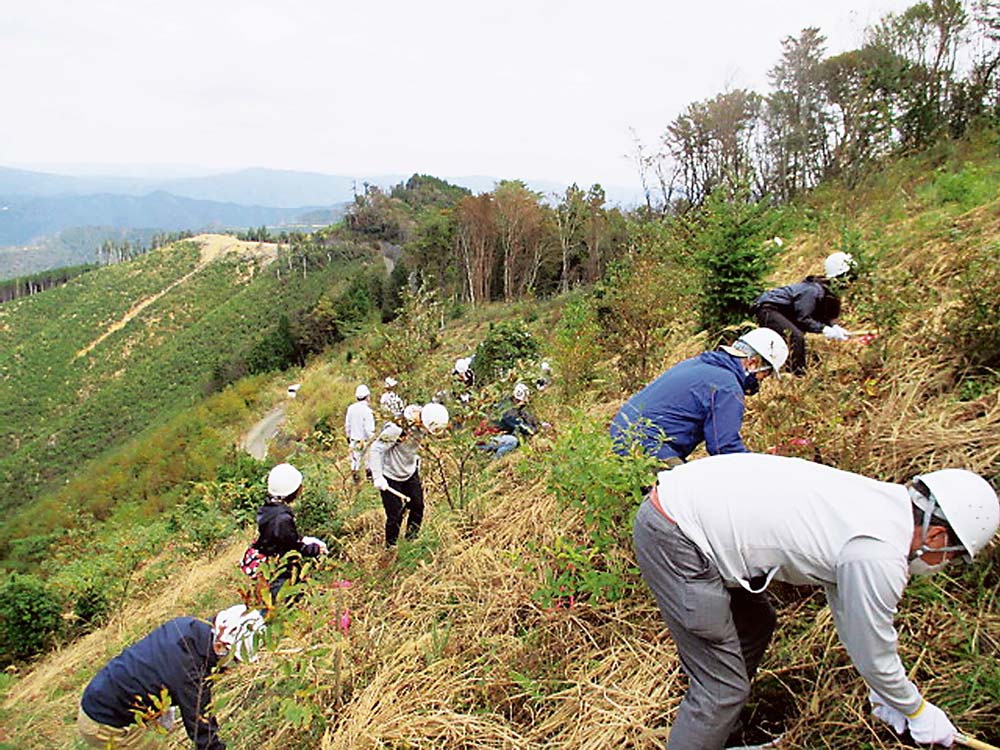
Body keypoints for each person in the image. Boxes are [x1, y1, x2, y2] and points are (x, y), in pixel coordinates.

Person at [632, 452, 999, 750]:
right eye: (952, 556)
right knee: (721, 688)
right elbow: (873, 645)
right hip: (677, 536)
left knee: (756, 622)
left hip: (687, 508)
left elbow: (852, 616)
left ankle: (718, 731)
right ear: (936, 535)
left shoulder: (881, 506)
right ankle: (708, 720)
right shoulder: (879, 552)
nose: (946, 565)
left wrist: (886, 692)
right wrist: (915, 709)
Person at [78, 604, 264, 750]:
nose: (235, 666)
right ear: (220, 647)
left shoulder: (187, 625)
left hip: (104, 692)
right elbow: (203, 733)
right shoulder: (192, 674)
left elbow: (160, 662)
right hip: (103, 721)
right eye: (236, 660)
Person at [610, 328, 788, 469]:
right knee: (685, 497)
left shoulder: (698, 363)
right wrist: (759, 467)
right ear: (753, 363)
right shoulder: (727, 387)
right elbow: (723, 448)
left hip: (622, 434)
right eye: (765, 373)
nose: (761, 380)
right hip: (647, 446)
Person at [753, 251, 855, 376]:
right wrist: (824, 329)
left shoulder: (825, 293)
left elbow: (817, 317)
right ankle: (798, 376)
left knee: (795, 338)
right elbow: (803, 318)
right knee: (796, 337)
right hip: (768, 309)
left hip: (779, 311)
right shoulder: (812, 291)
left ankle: (784, 370)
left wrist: (832, 327)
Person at [370, 402, 449, 547]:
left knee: (418, 507)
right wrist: (378, 476)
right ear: (422, 420)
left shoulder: (423, 423)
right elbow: (376, 449)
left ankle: (411, 541)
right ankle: (390, 547)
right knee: (395, 515)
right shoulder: (397, 429)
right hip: (390, 475)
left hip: (409, 472)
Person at [247, 463, 328, 600]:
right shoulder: (282, 518)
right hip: (280, 570)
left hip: (269, 565)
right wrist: (315, 549)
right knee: (288, 598)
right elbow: (292, 547)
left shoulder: (268, 509)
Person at [478, 383, 541, 459]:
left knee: (515, 437)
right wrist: (535, 430)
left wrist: (540, 424)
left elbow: (526, 416)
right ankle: (494, 459)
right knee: (513, 441)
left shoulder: (512, 405)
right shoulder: (507, 410)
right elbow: (521, 425)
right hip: (485, 440)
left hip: (493, 437)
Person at [345, 383, 375, 482]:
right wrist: (373, 439)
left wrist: (348, 436)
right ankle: (370, 479)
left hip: (354, 439)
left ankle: (356, 481)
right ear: (367, 397)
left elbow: (347, 425)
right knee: (368, 461)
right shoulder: (368, 411)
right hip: (365, 440)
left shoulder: (351, 408)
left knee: (355, 461)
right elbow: (369, 429)